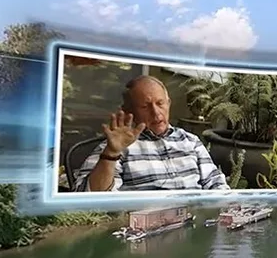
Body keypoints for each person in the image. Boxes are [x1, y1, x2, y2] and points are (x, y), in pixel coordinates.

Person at [73, 74, 230, 192]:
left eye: (160, 103)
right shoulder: (116, 147)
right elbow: (87, 196)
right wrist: (111, 153)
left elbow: (217, 186)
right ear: (129, 111)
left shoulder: (190, 141)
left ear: (168, 104)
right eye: (145, 106)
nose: (156, 113)